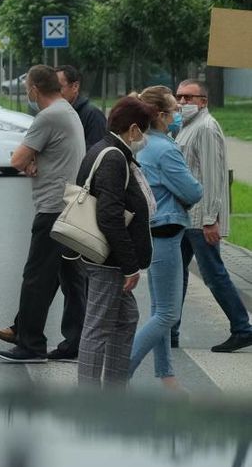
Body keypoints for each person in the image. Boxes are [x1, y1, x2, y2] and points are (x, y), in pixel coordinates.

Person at [0, 65, 88, 363]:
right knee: (68, 277)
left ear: (33, 89)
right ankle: (74, 343)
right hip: (70, 205)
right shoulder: (67, 111)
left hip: (53, 208)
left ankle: (31, 345)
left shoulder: (48, 117)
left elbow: (18, 159)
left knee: (36, 278)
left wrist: (29, 161)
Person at [73, 97, 154, 387]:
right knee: (97, 328)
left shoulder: (106, 148)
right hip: (107, 259)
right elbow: (109, 217)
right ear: (133, 129)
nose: (145, 138)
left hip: (109, 258)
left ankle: (116, 392)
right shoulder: (113, 157)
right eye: (144, 131)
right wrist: (130, 266)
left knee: (126, 318)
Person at [128, 86, 202, 390]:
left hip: (150, 232)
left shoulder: (141, 144)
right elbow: (193, 191)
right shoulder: (165, 148)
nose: (177, 114)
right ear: (159, 115)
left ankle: (166, 376)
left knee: (160, 311)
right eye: (172, 109)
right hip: (166, 232)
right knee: (168, 314)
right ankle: (120, 373)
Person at [172, 79, 252, 353]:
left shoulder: (206, 128)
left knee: (213, 274)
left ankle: (242, 328)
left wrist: (210, 219)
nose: (182, 103)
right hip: (183, 217)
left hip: (198, 219)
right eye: (179, 97)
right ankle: (170, 329)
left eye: (189, 98)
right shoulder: (186, 127)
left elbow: (213, 178)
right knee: (175, 273)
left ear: (203, 101)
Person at [57, 64, 108, 151]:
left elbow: (97, 155)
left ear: (75, 87)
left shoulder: (93, 116)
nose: (54, 94)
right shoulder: (56, 115)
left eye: (59, 88)